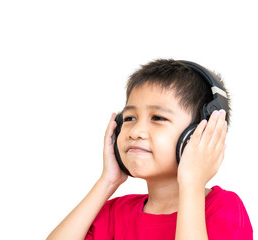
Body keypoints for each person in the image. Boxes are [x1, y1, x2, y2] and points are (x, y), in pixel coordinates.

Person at [47, 59, 253, 239]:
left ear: (202, 133)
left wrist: (192, 183)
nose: (136, 131)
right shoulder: (115, 213)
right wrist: (107, 181)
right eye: (129, 118)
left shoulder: (224, 208)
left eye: (158, 118)